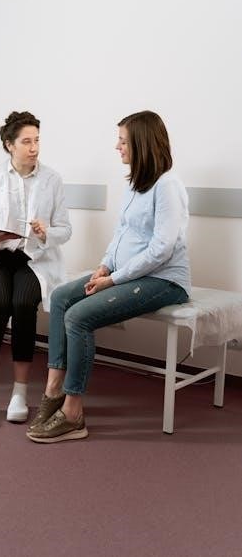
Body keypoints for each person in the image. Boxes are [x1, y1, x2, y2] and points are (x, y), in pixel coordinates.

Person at [26, 110, 191, 443]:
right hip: (126, 274)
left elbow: (161, 250)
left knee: (78, 317)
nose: (117, 147)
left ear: (142, 144)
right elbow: (121, 234)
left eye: (123, 141)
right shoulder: (135, 184)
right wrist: (104, 266)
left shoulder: (167, 186)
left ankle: (73, 414)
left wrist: (113, 280)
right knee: (61, 297)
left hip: (164, 281)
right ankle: (54, 390)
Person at [0, 111, 72, 425]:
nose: (34, 147)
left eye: (36, 140)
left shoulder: (52, 180)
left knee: (24, 305)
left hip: (35, 259)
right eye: (26, 141)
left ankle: (20, 392)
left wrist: (45, 232)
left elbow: (65, 230)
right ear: (9, 145)